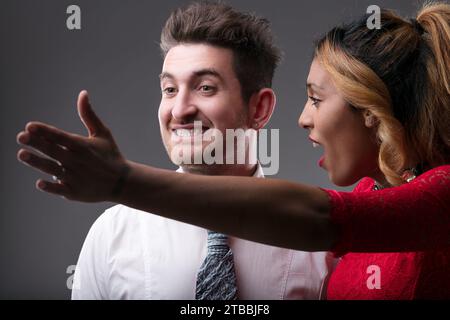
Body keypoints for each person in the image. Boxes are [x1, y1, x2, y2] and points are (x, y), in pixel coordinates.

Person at [17, 2, 450, 299]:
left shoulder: (320, 234)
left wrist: (122, 182)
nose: (180, 108)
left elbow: (322, 220)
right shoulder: (113, 233)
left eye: (205, 87)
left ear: (259, 107)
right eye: (168, 89)